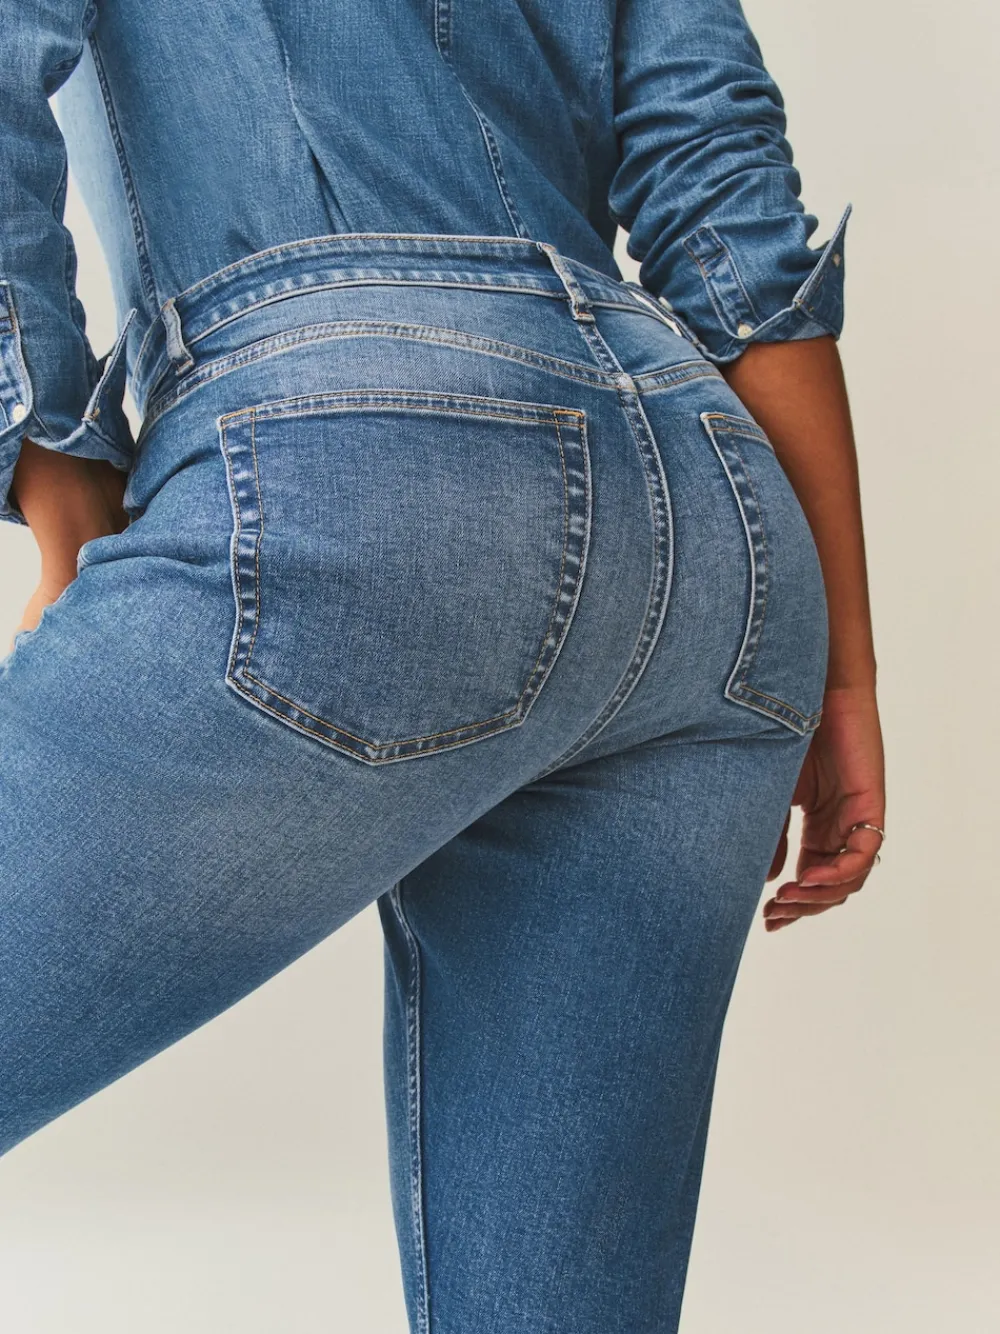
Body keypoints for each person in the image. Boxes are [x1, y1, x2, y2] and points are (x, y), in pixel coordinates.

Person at [0, 1, 885, 1329]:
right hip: (717, 538)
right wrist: (843, 672)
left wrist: (62, 472)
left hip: (355, 443)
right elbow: (728, 199)